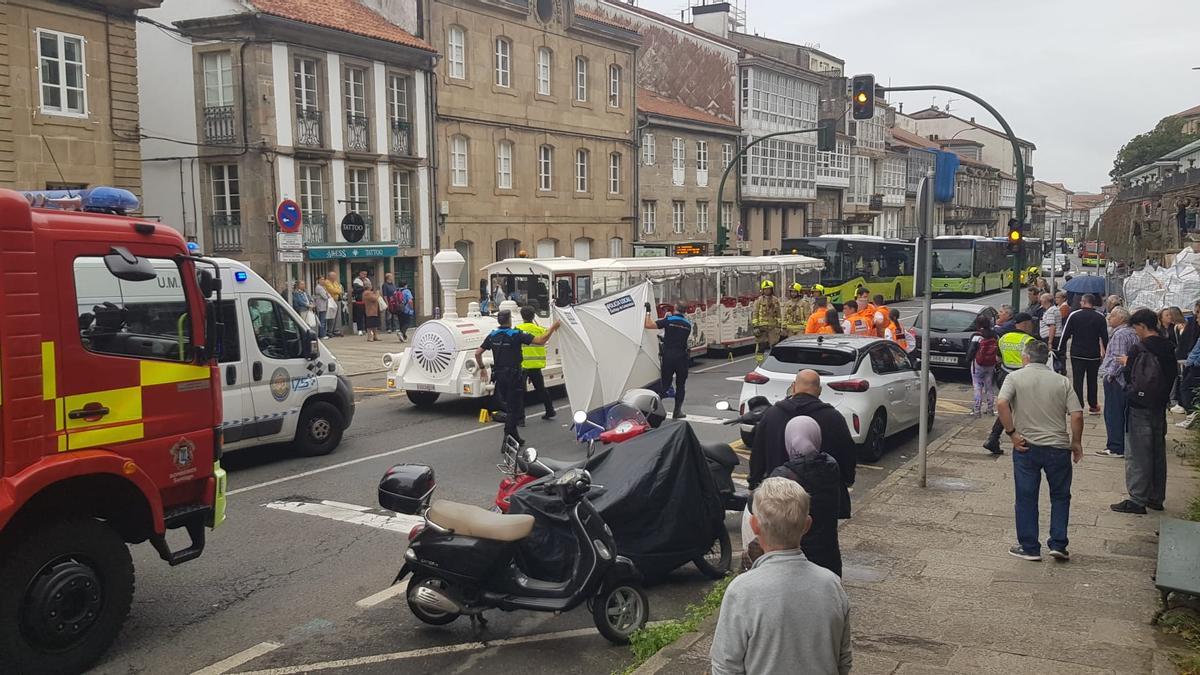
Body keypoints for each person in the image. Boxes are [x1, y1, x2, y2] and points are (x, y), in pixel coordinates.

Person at [711, 478, 852, 675]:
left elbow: (725, 666)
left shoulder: (742, 591)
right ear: (807, 525)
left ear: (754, 524)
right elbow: (843, 660)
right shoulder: (832, 584)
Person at [996, 339, 1084, 562]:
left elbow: (1001, 404)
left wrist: (1012, 433)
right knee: (1061, 496)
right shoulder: (1062, 381)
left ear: (1025, 357)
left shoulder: (1014, 378)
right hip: (1058, 447)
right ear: (1046, 359)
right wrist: (1076, 443)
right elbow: (1077, 415)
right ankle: (1058, 544)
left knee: (1026, 497)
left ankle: (1029, 547)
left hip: (1027, 446)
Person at [749, 369, 855, 517]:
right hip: (819, 498)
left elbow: (758, 452)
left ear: (793, 387)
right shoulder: (833, 417)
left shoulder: (772, 415)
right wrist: (848, 478)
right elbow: (847, 453)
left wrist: (753, 482)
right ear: (819, 390)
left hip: (779, 495)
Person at [1111, 308, 1174, 514]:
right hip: (1159, 405)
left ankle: (1137, 498)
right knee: (1157, 451)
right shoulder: (1167, 346)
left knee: (1138, 453)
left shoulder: (1140, 348)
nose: (1136, 332)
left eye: (1136, 327)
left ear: (1142, 326)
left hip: (1139, 407)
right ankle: (1156, 497)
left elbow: (1130, 377)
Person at [766, 417, 844, 576]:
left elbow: (758, 503)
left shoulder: (784, 475)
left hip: (795, 560)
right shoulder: (831, 465)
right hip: (828, 557)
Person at [475, 309, 561, 446]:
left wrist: (482, 369)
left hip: (499, 377)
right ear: (509, 320)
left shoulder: (492, 335)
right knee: (512, 410)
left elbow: (478, 353)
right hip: (513, 376)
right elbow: (540, 340)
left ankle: (515, 437)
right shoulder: (515, 334)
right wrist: (553, 328)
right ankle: (507, 440)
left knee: (510, 407)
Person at [982, 312, 1040, 455]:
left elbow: (998, 359)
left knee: (1007, 407)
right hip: (1022, 376)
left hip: (1004, 375)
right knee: (1018, 408)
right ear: (1026, 324)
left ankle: (994, 439)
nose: (1032, 326)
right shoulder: (1029, 340)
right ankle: (1002, 438)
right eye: (1031, 323)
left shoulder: (1003, 338)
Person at [1058, 293, 1108, 414]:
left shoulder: (1074, 315)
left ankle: (1078, 405)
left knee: (1078, 380)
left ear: (1084, 302)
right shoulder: (1100, 317)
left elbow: (1065, 334)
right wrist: (1106, 353)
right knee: (1092, 380)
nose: (1080, 303)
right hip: (1093, 354)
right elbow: (1105, 337)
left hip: (1077, 353)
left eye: (1081, 301)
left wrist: (1060, 350)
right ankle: (1093, 404)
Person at [645, 302, 692, 419]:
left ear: (675, 308)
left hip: (669, 356)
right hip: (682, 358)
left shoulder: (669, 320)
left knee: (664, 386)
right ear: (685, 311)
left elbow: (648, 325)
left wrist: (648, 311)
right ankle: (677, 411)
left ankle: (652, 411)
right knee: (681, 385)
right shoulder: (688, 324)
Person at [1098, 307, 1135, 457]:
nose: (1109, 318)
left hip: (1117, 380)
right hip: (1127, 380)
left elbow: (1119, 358)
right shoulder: (1132, 332)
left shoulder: (1120, 334)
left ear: (1121, 318)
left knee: (1113, 413)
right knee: (1123, 413)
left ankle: (1115, 446)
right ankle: (1123, 444)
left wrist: (1110, 375)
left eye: (1112, 316)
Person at [516, 306, 556, 423]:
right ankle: (550, 410)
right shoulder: (539, 330)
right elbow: (546, 336)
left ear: (522, 316)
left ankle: (520, 418)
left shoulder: (517, 329)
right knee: (541, 389)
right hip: (535, 365)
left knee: (519, 392)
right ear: (533, 316)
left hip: (522, 365)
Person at [965, 315, 999, 417]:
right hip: (991, 364)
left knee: (977, 386)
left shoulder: (977, 336)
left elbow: (971, 351)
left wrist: (968, 360)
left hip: (978, 363)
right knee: (989, 386)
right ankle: (990, 409)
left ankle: (976, 410)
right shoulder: (995, 335)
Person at [1173, 300, 1200, 414]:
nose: (1196, 316)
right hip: (1191, 361)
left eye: (1198, 312)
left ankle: (1191, 414)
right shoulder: (1192, 324)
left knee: (1186, 387)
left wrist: (1192, 362)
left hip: (1194, 365)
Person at [752, 280, 783, 354]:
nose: (767, 291)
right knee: (761, 347)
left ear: (772, 290)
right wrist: (755, 327)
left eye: (768, 289)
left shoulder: (775, 300)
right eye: (765, 289)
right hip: (761, 328)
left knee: (774, 347)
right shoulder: (759, 300)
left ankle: (773, 363)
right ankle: (759, 363)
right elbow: (755, 313)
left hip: (773, 328)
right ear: (762, 290)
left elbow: (779, 314)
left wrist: (779, 327)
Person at [1039, 292, 1063, 373]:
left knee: (1052, 358)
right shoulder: (1053, 309)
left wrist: (1050, 342)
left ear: (1046, 301)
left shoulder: (1050, 311)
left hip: (1051, 338)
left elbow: (1052, 326)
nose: (1040, 302)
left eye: (1041, 300)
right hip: (1054, 337)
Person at [321, 271, 344, 337]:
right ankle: (330, 331)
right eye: (333, 276)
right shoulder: (327, 282)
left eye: (335, 276)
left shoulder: (335, 282)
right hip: (331, 301)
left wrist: (338, 290)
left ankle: (336, 330)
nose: (335, 277)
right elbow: (332, 290)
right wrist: (339, 291)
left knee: (337, 316)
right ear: (330, 276)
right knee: (331, 316)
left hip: (337, 300)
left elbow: (340, 289)